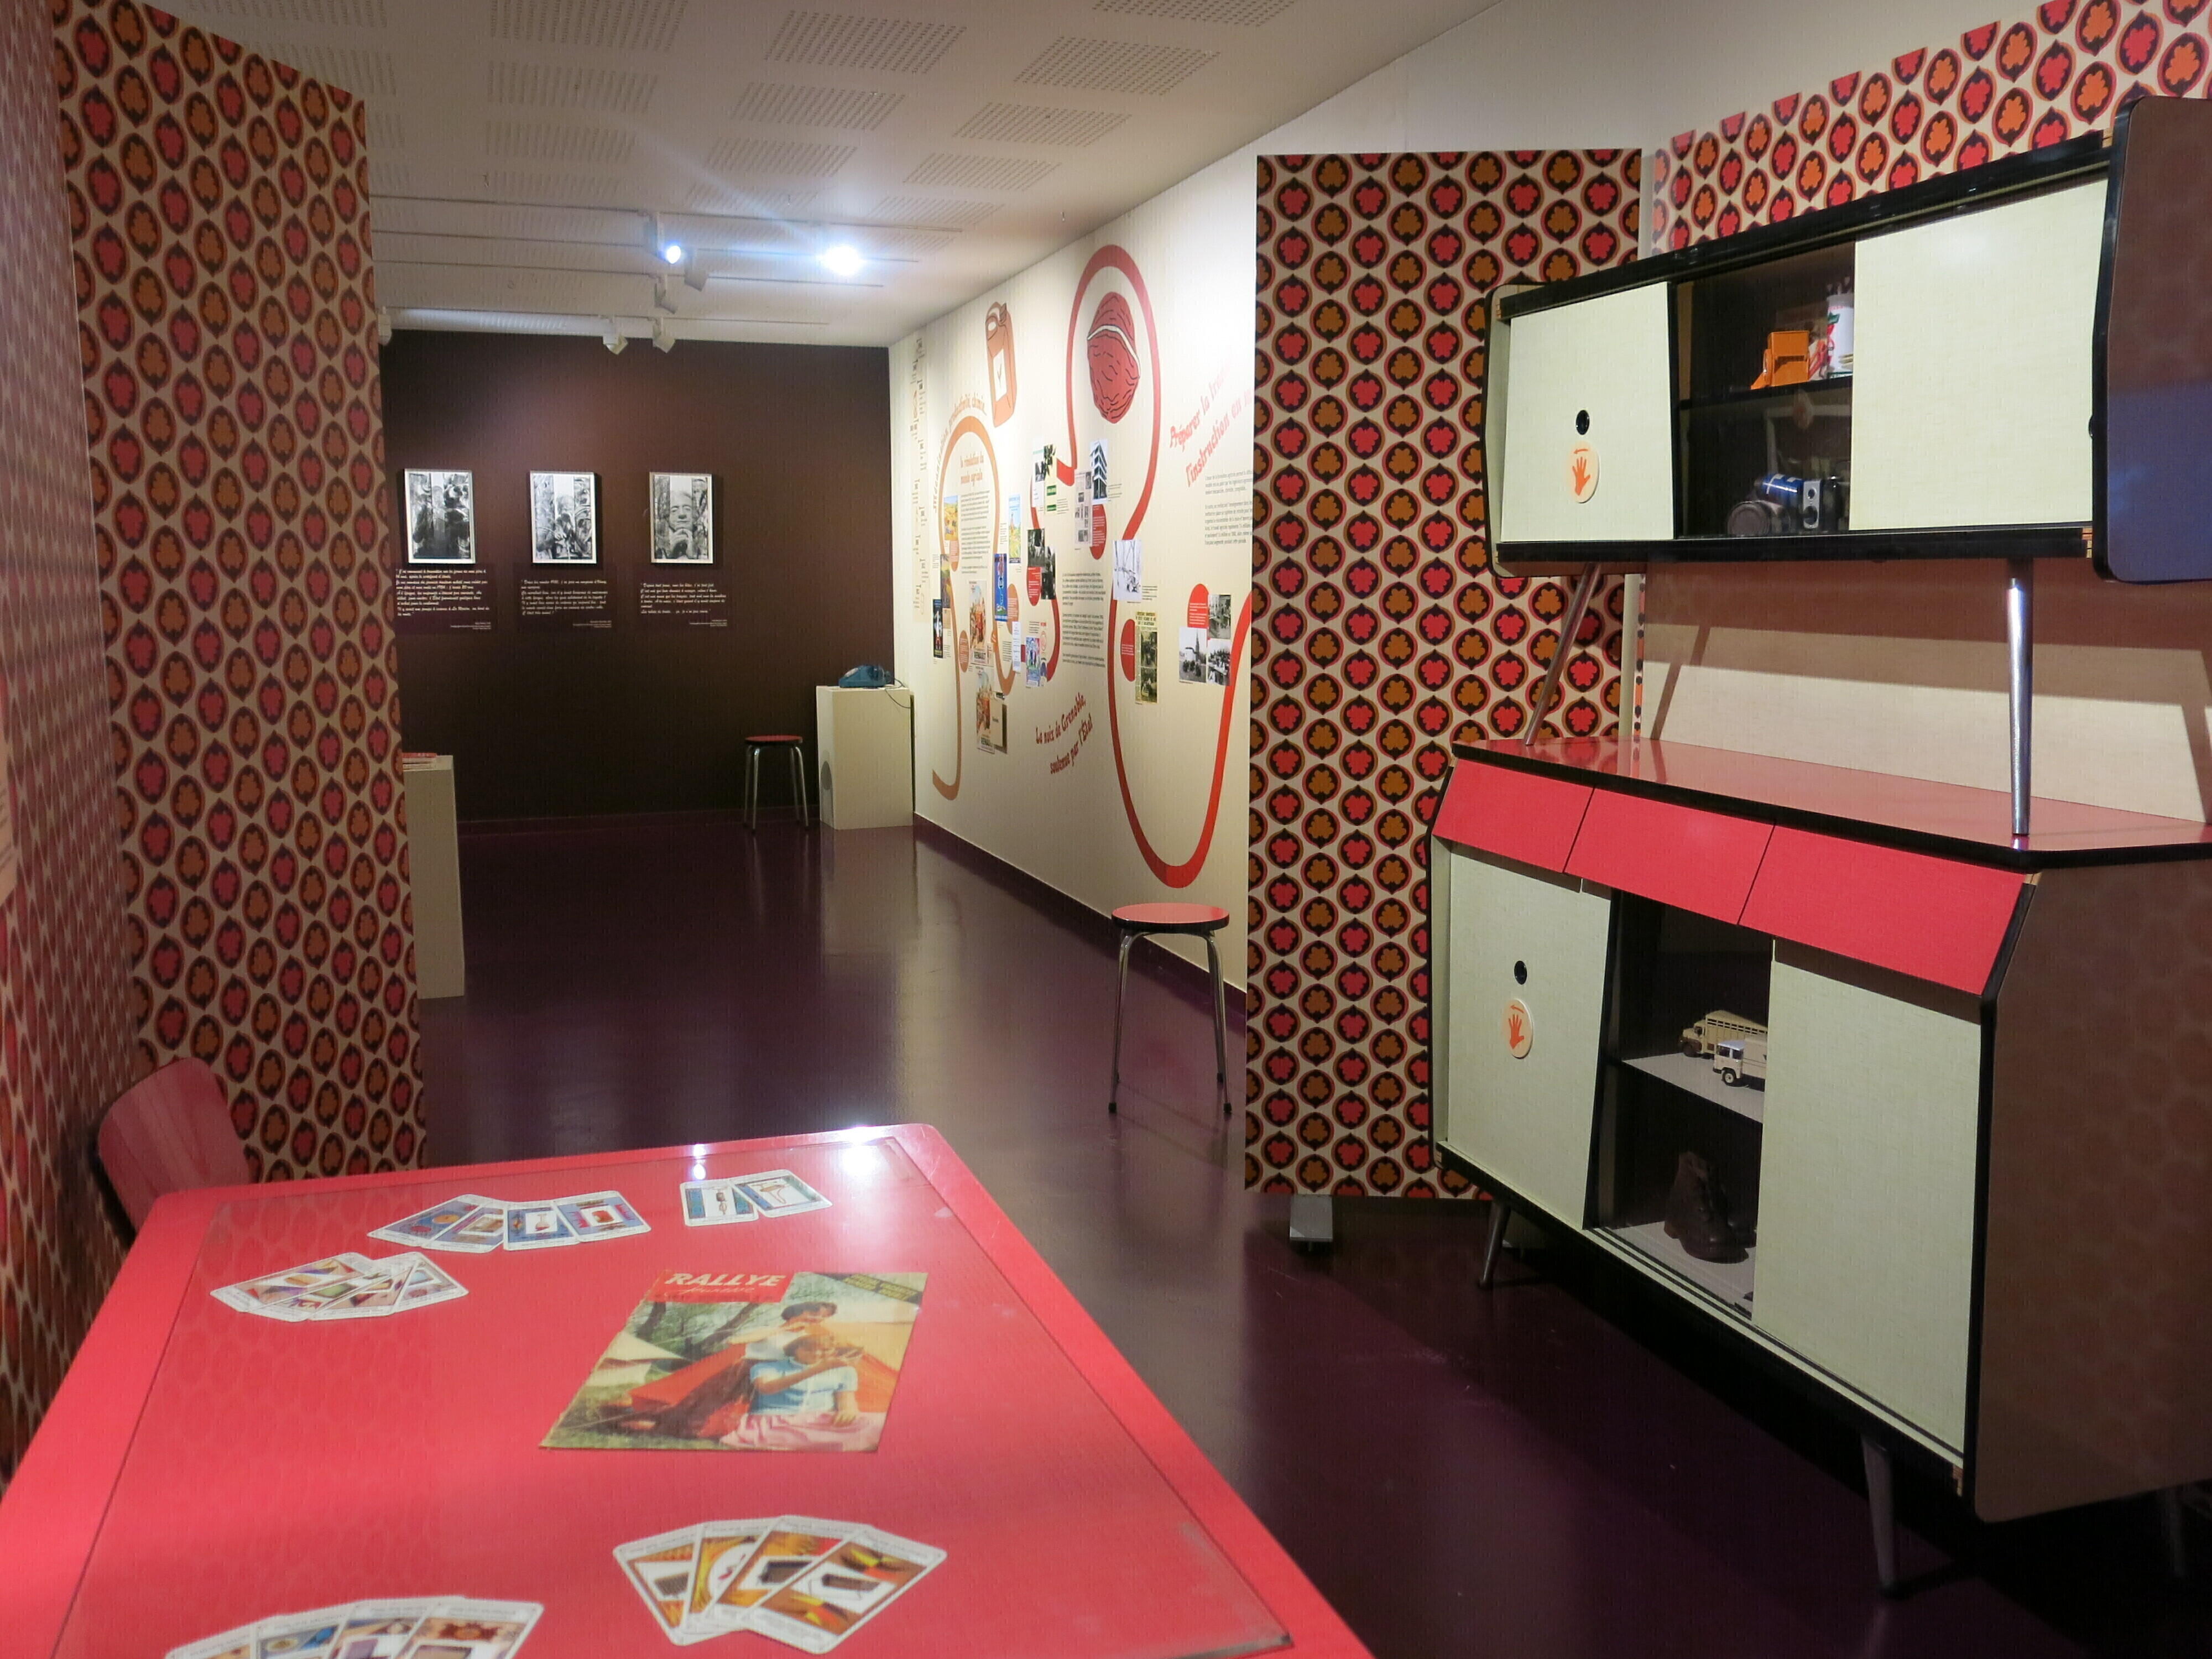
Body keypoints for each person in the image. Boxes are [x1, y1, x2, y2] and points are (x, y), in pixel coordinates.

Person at [721, 1331, 884, 1451]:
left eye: (825, 1350)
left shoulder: (844, 1370)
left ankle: (831, 1442)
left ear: (833, 1351)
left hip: (820, 1420)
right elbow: (767, 1388)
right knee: (814, 1441)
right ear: (795, 1350)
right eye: (810, 1349)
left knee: (882, 1423)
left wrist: (848, 1411)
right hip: (776, 1420)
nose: (817, 1354)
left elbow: (846, 1400)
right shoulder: (767, 1367)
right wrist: (819, 1369)